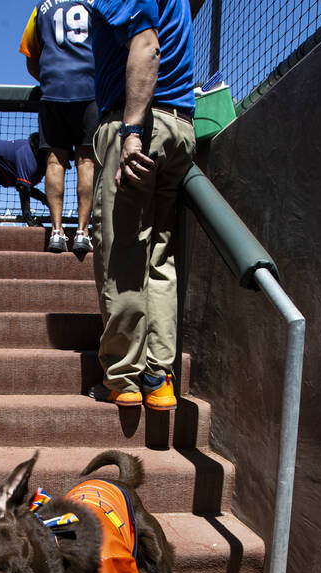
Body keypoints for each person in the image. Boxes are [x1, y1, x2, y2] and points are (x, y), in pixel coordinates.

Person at [86, 0, 195, 411]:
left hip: (140, 125)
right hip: (179, 126)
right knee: (159, 259)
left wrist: (131, 132)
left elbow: (147, 45)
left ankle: (122, 378)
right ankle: (159, 378)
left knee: (122, 256)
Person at [19, 0, 98, 255]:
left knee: (55, 162)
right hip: (89, 89)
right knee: (86, 161)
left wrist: (53, 79)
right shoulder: (98, 4)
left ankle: (56, 231)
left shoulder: (41, 8)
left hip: (53, 91)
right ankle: (83, 232)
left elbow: (31, 60)